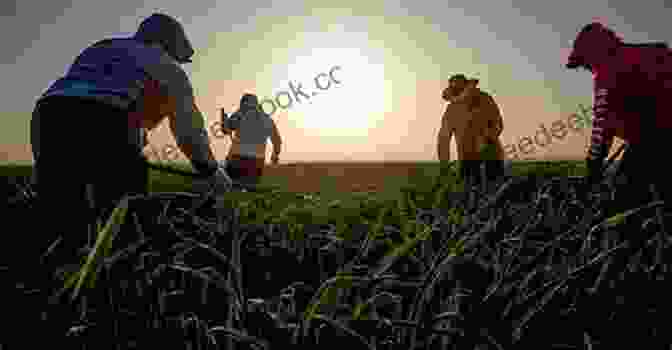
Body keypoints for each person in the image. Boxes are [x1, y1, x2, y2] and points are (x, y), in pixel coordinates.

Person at [28, 13, 232, 270]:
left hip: (49, 114)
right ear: (169, 45)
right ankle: (118, 280)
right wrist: (211, 171)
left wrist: (133, 137)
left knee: (61, 210)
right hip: (107, 120)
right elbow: (188, 131)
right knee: (122, 216)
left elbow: (95, 89)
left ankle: (51, 274)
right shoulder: (167, 66)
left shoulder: (101, 48)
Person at [566, 22, 672, 212]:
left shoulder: (607, 72)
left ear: (592, 54)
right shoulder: (651, 54)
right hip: (654, 136)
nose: (587, 69)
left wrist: (593, 167)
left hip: (654, 140)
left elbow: (602, 127)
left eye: (585, 63)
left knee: (625, 200)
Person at [438, 74, 505, 185]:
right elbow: (443, 138)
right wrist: (444, 163)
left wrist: (488, 137)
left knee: (494, 188)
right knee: (470, 191)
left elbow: (498, 123)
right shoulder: (452, 109)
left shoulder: (485, 99)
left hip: (490, 153)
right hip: (466, 157)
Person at [220, 93, 283, 185]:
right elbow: (277, 141)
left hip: (237, 160)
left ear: (243, 103)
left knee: (225, 177)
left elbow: (226, 130)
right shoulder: (267, 119)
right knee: (250, 184)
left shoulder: (240, 114)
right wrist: (275, 156)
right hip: (257, 163)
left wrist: (224, 120)